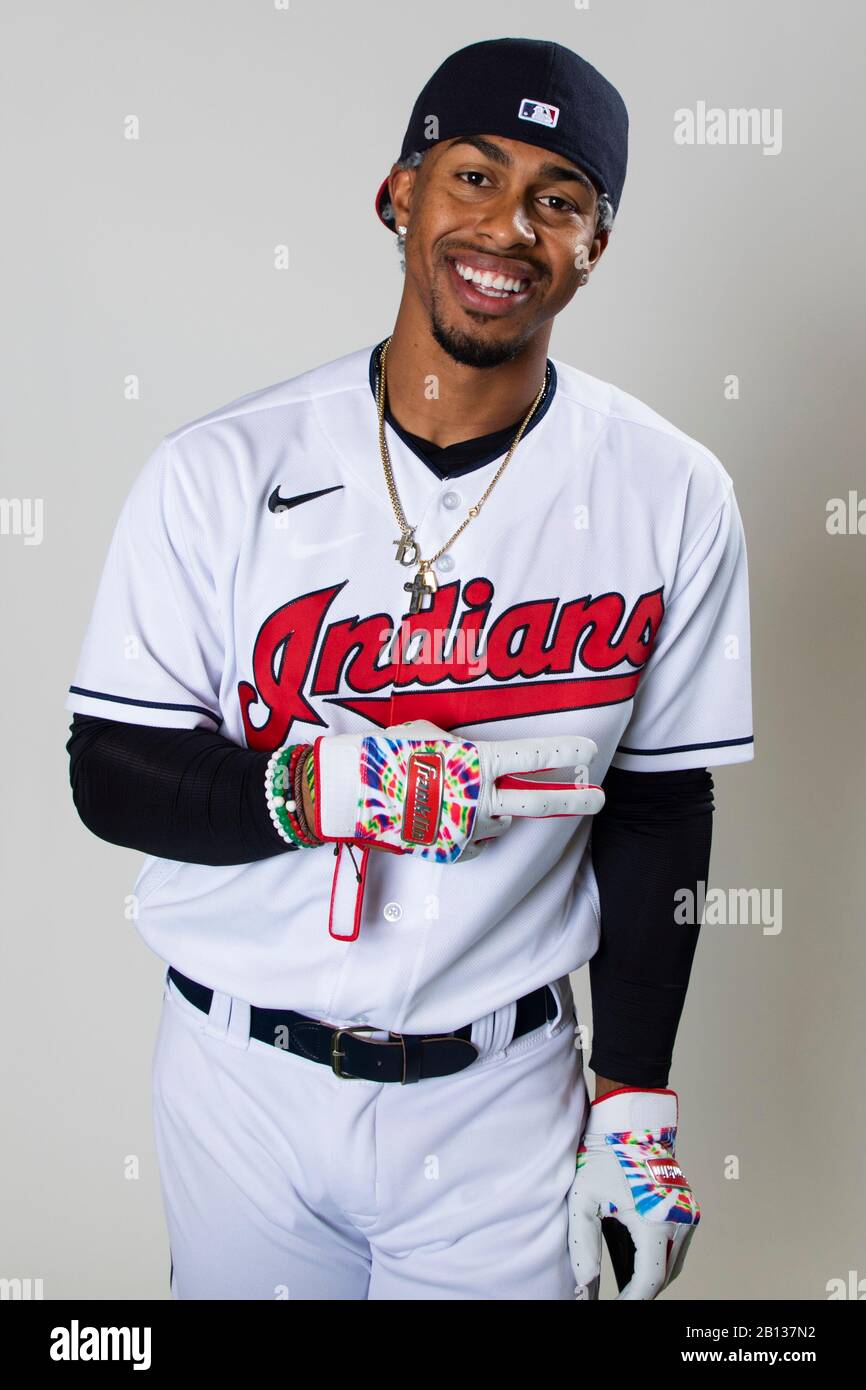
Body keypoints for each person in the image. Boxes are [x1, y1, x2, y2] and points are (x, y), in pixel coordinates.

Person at [65, 37, 754, 1300]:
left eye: (559, 198)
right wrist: (304, 790)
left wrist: (636, 1102)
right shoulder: (217, 468)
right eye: (473, 176)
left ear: (594, 244)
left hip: (499, 1099)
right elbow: (108, 772)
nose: (507, 225)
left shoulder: (671, 492)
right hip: (240, 1080)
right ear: (398, 193)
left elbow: (659, 805)